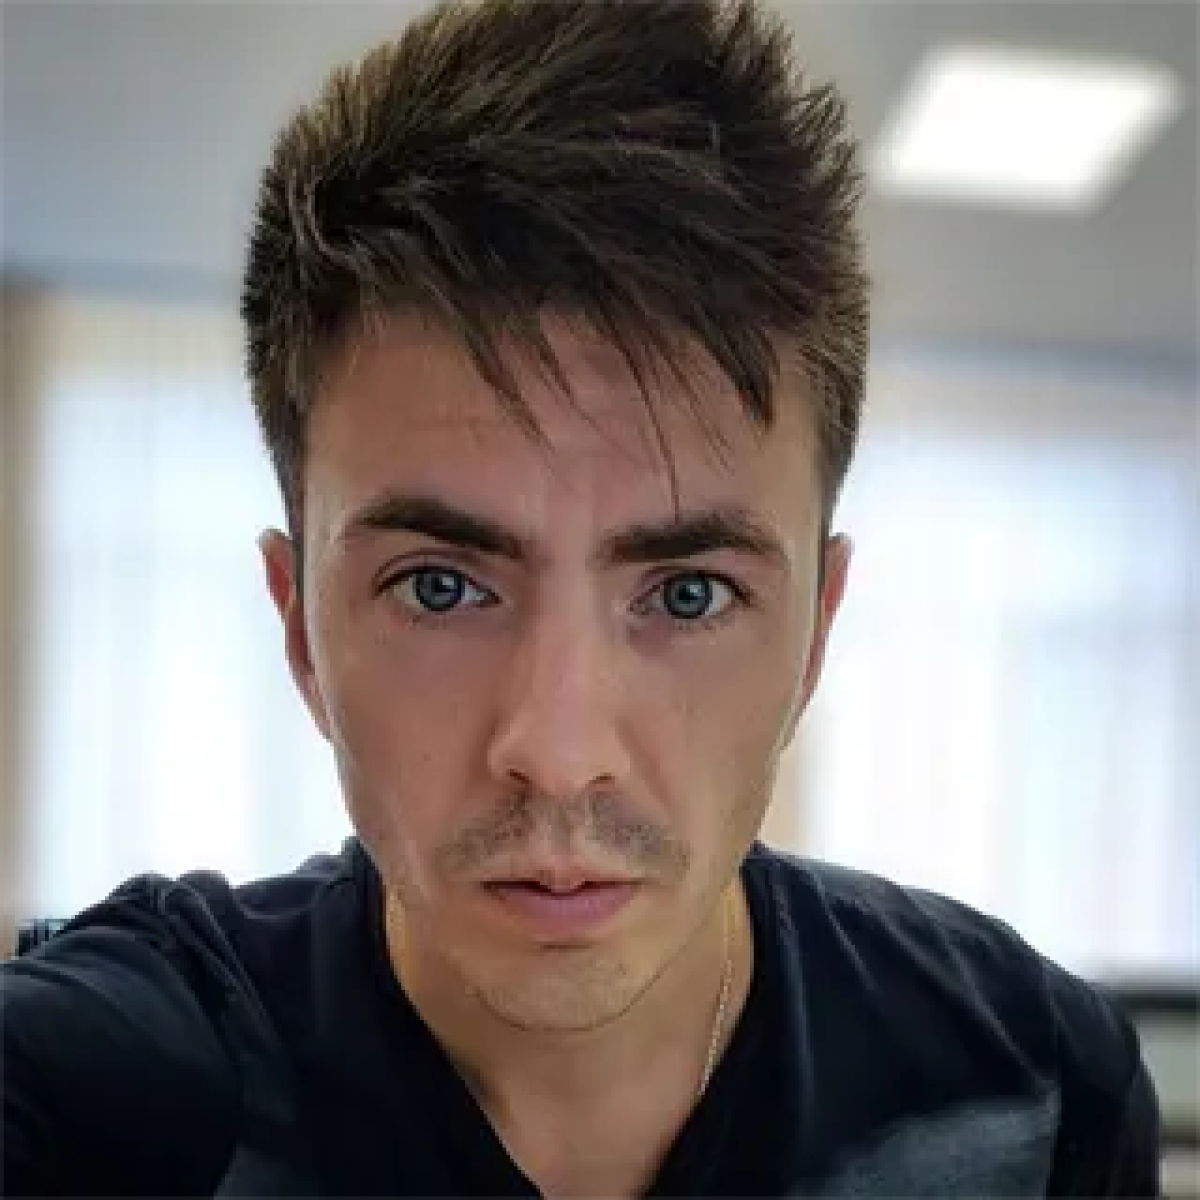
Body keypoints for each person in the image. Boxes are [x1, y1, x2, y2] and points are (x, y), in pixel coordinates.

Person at [2, 0, 1160, 1194]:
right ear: (299, 628)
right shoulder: (121, 1094)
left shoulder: (1032, 1087)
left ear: (816, 632)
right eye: (441, 587)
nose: (559, 757)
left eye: (690, 595)